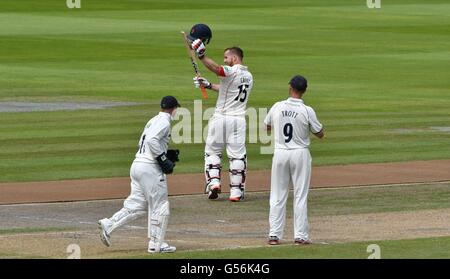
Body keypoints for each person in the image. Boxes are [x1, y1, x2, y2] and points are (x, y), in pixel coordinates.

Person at [98, 96, 180, 253]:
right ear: (173, 108)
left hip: (137, 165)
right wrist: (162, 159)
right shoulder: (164, 121)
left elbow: (143, 142)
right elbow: (151, 141)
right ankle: (156, 244)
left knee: (137, 205)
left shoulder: (152, 120)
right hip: (149, 168)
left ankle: (109, 224)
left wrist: (163, 153)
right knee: (160, 205)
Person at [190, 38, 254, 202]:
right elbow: (227, 89)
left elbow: (216, 69)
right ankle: (236, 192)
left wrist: (202, 56)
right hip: (238, 120)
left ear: (234, 58)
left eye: (226, 58)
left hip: (221, 118)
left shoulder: (231, 71)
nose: (224, 60)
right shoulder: (248, 76)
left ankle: (214, 183)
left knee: (212, 152)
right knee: (237, 157)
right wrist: (209, 85)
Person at [264, 75, 324, 245]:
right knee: (300, 195)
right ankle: (300, 236)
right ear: (304, 90)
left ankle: (274, 235)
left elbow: (267, 126)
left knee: (277, 194)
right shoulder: (307, 110)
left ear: (290, 87)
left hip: (280, 153)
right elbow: (320, 133)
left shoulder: (277, 106)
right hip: (300, 153)